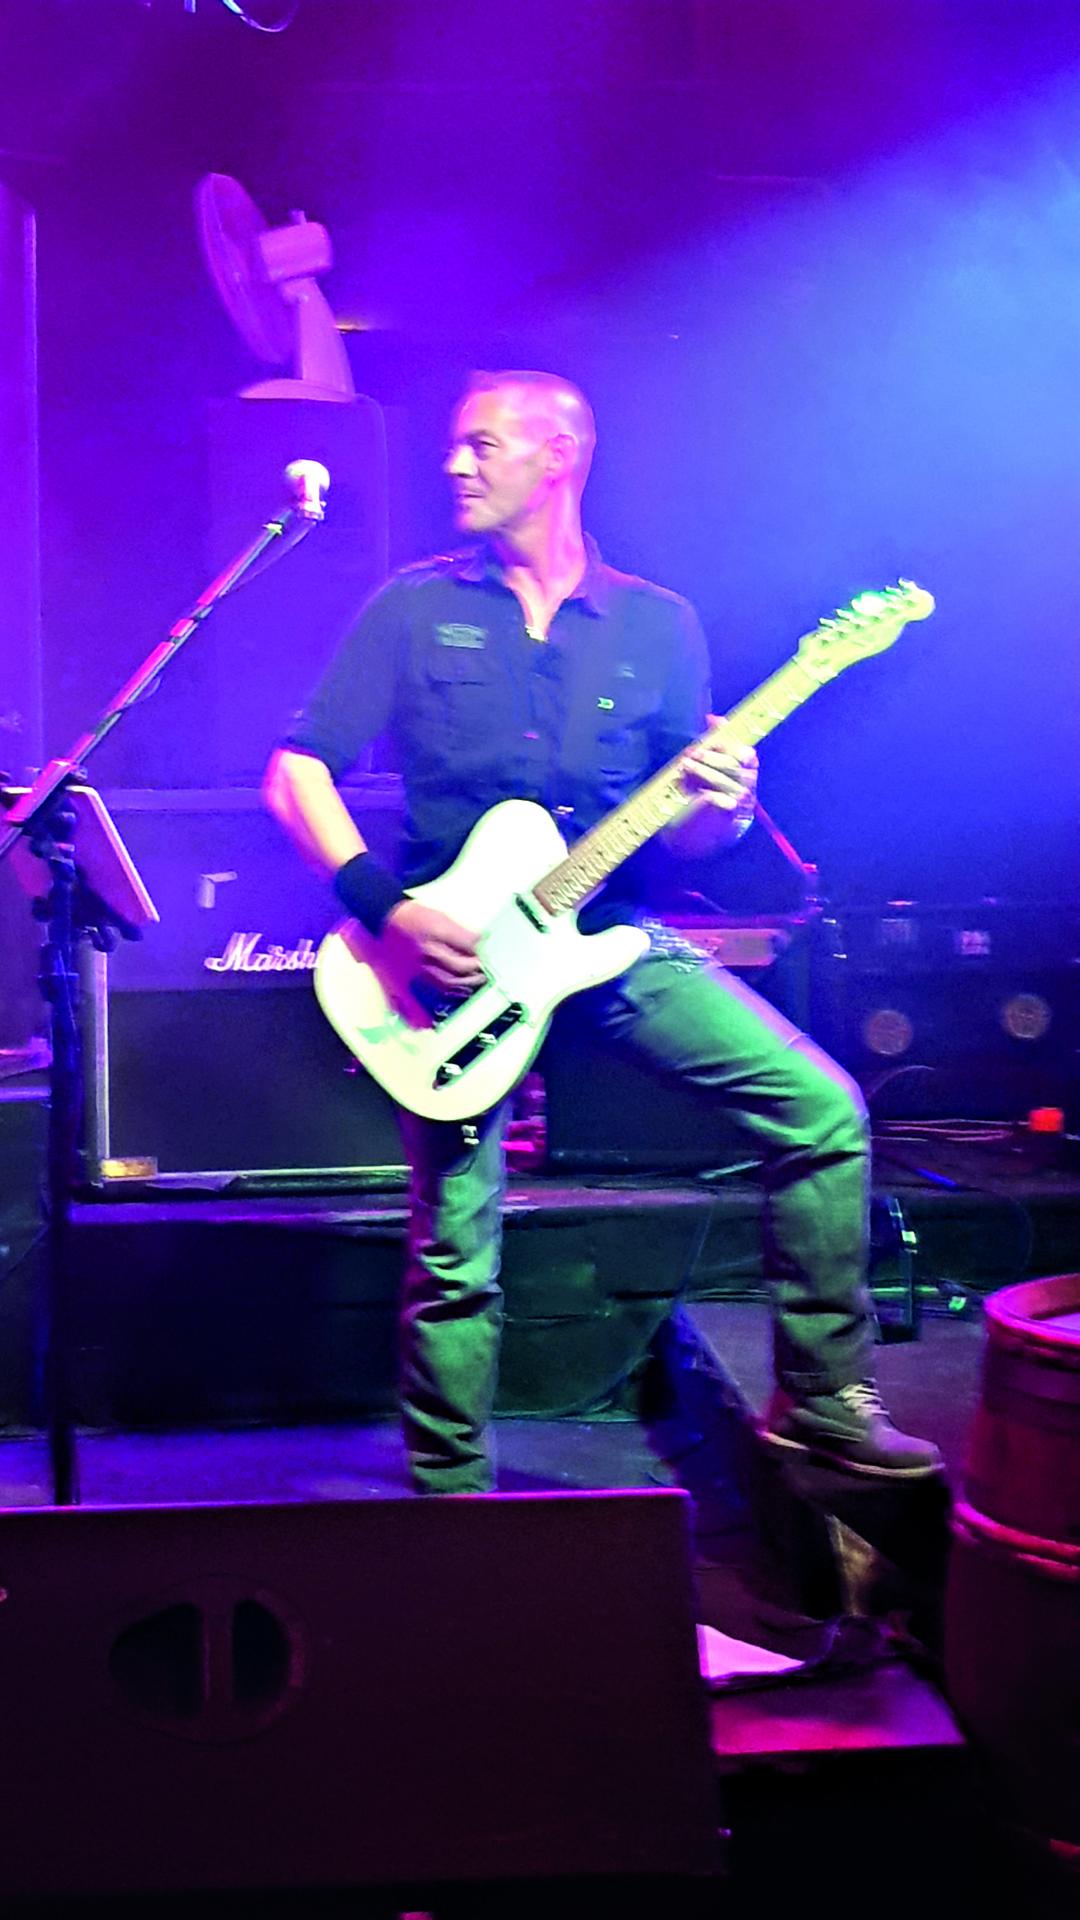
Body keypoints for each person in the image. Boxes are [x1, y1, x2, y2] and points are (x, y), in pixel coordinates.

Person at [264, 369, 941, 1494]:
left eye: (482, 444)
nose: (454, 463)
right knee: (455, 1243)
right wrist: (389, 909)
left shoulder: (656, 624)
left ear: (559, 456)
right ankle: (450, 1495)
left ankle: (822, 1396)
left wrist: (725, 803)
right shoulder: (412, 608)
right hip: (454, 964)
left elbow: (688, 836)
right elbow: (297, 773)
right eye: (457, 445)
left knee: (823, 1111)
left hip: (610, 939)